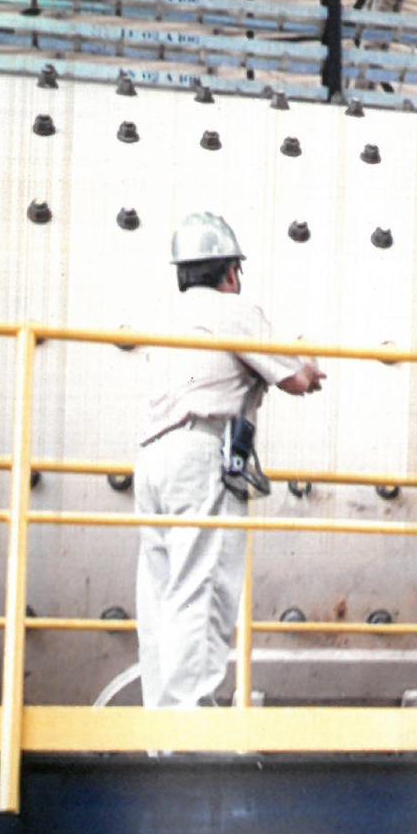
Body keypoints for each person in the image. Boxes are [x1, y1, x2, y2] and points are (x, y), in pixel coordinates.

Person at [135, 211, 325, 709]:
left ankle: (162, 728)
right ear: (231, 273)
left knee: (161, 593)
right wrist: (307, 362)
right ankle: (191, 726)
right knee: (203, 586)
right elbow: (297, 380)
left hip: (153, 458)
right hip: (201, 453)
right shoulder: (233, 311)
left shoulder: (163, 315)